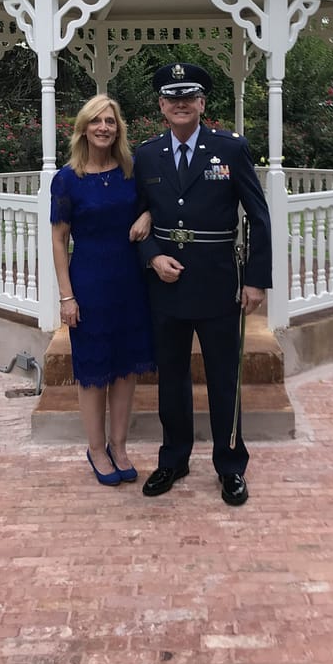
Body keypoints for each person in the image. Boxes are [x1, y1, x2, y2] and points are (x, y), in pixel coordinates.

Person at [135, 62, 272, 505]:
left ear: (201, 103)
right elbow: (135, 216)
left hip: (217, 282)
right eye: (172, 98)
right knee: (171, 378)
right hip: (166, 284)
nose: (180, 104)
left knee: (223, 378)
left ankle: (230, 465)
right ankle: (173, 459)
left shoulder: (230, 148)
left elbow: (258, 216)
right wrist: (152, 256)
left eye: (188, 97)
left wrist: (255, 280)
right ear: (161, 106)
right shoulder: (147, 154)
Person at [50, 95, 156, 487]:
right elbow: (59, 239)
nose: (104, 128)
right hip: (89, 283)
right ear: (83, 128)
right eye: (96, 121)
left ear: (118, 129)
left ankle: (119, 445)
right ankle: (96, 449)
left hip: (131, 281)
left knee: (126, 368)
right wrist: (67, 296)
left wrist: (147, 215)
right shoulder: (67, 179)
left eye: (110, 121)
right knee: (94, 371)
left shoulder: (131, 171)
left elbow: (156, 203)